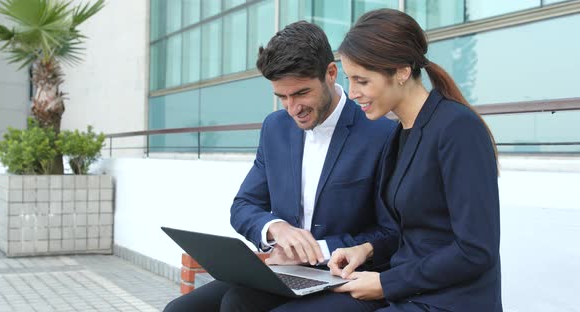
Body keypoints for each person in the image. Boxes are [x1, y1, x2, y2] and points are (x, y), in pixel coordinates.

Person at [164, 21, 397, 312]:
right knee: (181, 310)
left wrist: (313, 250)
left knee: (239, 304)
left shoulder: (381, 133)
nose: (292, 108)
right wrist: (275, 228)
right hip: (286, 273)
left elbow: (392, 231)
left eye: (301, 93)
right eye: (281, 97)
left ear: (330, 73)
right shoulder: (275, 128)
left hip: (348, 277)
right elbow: (244, 205)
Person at [327, 9, 502, 312]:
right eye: (349, 80)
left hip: (449, 301)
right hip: (408, 291)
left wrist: (386, 284)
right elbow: (416, 233)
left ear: (402, 71)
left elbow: (475, 250)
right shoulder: (399, 135)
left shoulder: (457, 129)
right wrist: (366, 249)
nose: (352, 93)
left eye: (362, 81)